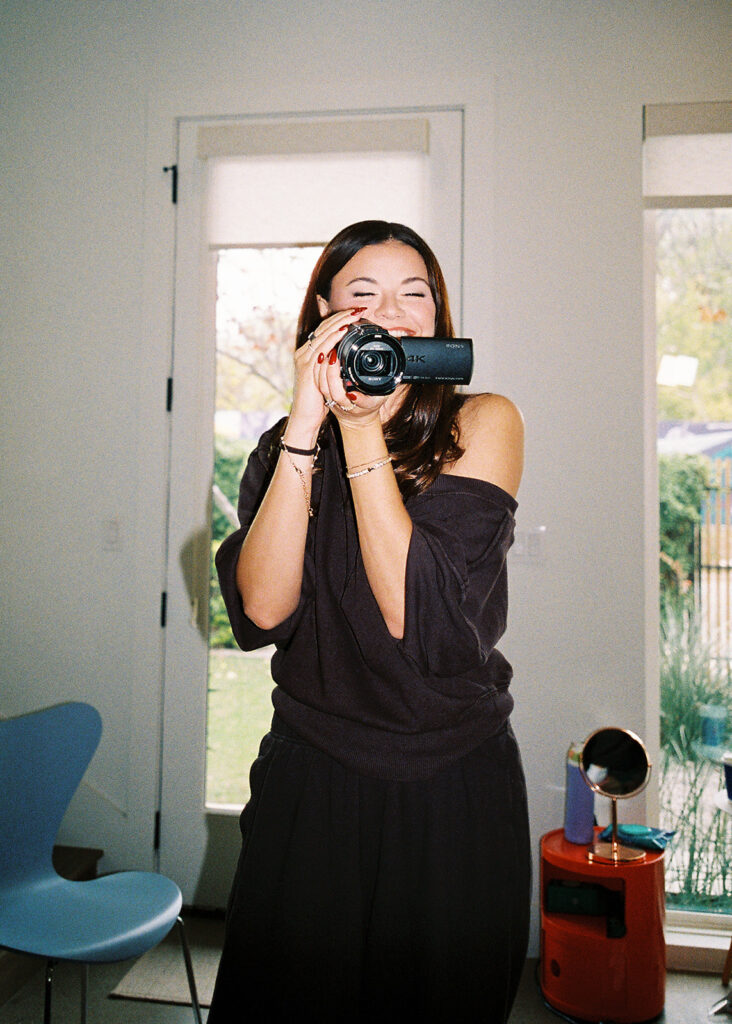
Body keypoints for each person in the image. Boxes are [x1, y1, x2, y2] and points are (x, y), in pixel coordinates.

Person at [208, 220, 531, 1023]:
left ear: (437, 318)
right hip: (310, 777)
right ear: (323, 315)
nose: (391, 310)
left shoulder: (482, 423)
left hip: (447, 784)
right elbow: (264, 608)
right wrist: (306, 421)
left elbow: (416, 616)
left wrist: (360, 430)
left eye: (414, 294)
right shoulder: (281, 448)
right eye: (363, 293)